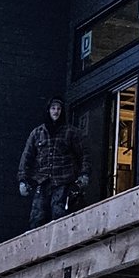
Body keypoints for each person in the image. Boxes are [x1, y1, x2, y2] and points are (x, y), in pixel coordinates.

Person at [17, 97, 88, 228]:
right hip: (42, 181)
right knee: (37, 217)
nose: (56, 112)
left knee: (59, 215)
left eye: (59, 108)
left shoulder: (71, 133)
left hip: (64, 181)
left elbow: (83, 154)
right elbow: (26, 157)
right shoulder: (37, 133)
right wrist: (23, 179)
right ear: (48, 111)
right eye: (53, 108)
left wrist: (84, 174)